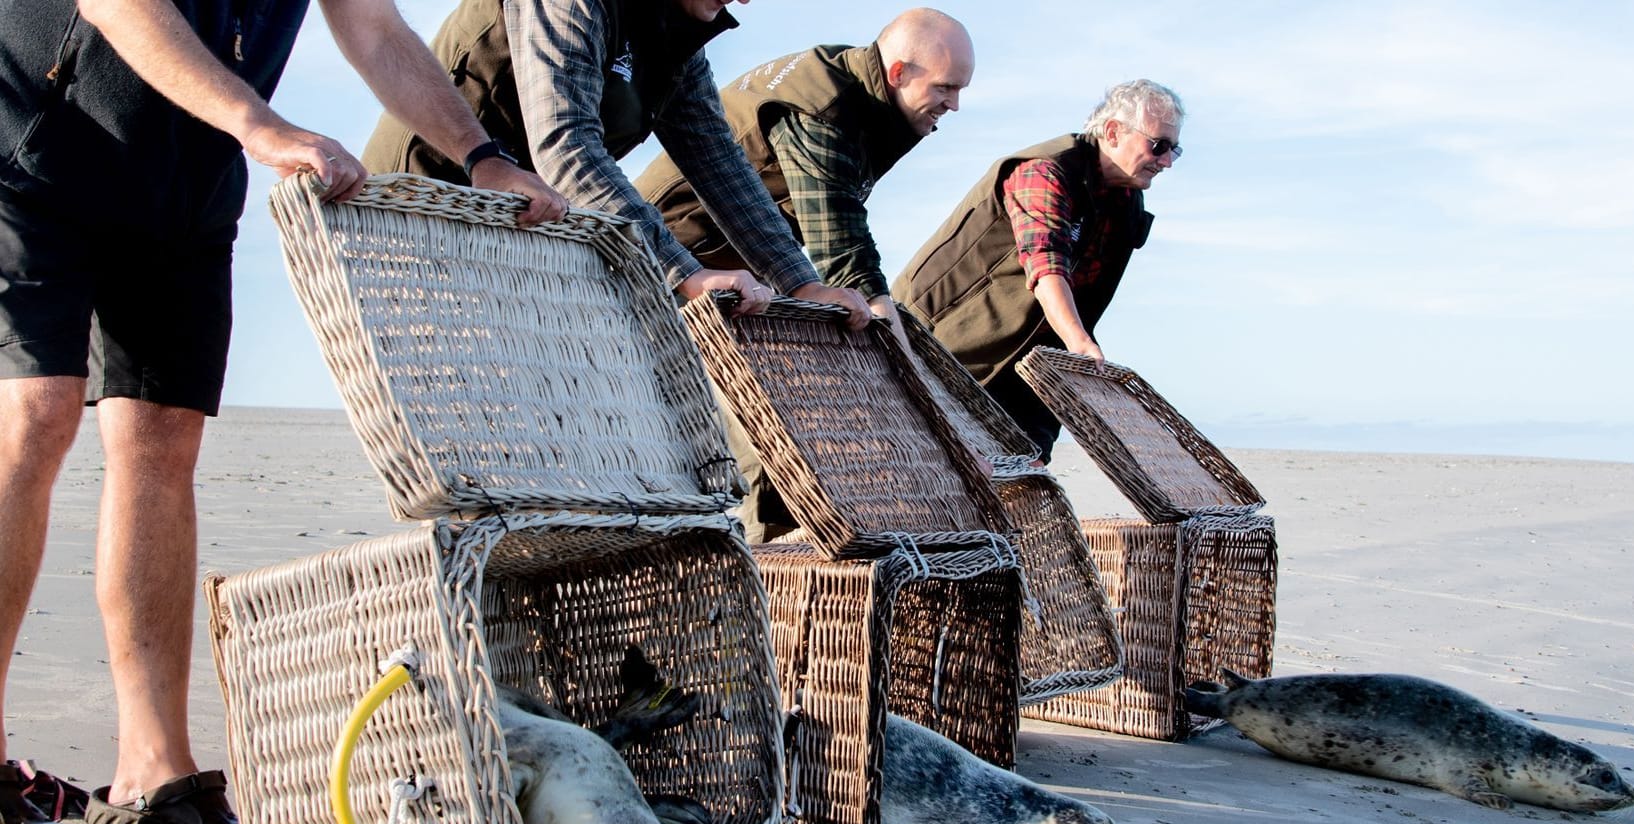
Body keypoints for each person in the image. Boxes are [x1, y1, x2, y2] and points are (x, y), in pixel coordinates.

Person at [0, 0, 567, 824]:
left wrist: (483, 158)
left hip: (184, 176)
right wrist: (259, 123)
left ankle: (151, 774)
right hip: (36, 138)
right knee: (36, 414)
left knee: (161, 442)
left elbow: (374, 30)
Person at [633, 7, 974, 541]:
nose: (956, 105)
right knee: (766, 442)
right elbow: (845, 256)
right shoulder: (825, 107)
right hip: (670, 264)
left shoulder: (871, 103)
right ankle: (763, 582)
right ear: (900, 73)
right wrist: (917, 394)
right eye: (948, 87)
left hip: (746, 281)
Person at [363, 0, 872, 328]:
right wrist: (683, 274)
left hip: (525, 233)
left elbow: (719, 161)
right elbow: (566, 146)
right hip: (415, 218)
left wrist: (798, 280)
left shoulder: (674, 38)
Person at [895, 80, 1183, 462]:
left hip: (1030, 360)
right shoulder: (1044, 171)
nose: (1165, 161)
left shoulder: (1126, 200)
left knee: (1027, 466)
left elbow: (1088, 294)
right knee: (928, 464)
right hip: (943, 343)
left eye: (1174, 150)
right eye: (1158, 145)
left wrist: (1071, 360)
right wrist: (1080, 343)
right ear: (1113, 132)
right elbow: (1046, 263)